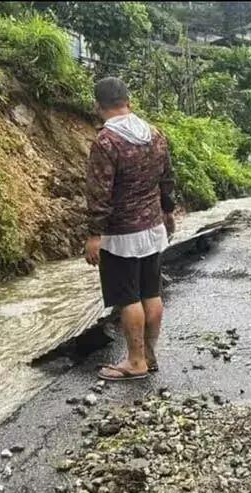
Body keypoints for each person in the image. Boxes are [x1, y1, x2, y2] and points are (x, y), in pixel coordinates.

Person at [85, 77, 177, 381]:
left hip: (120, 235)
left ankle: (135, 362)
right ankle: (149, 356)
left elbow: (100, 192)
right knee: (151, 292)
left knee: (128, 297)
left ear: (98, 107)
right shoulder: (155, 134)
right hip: (153, 227)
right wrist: (167, 211)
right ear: (129, 102)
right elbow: (167, 178)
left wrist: (94, 235)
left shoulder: (106, 142)